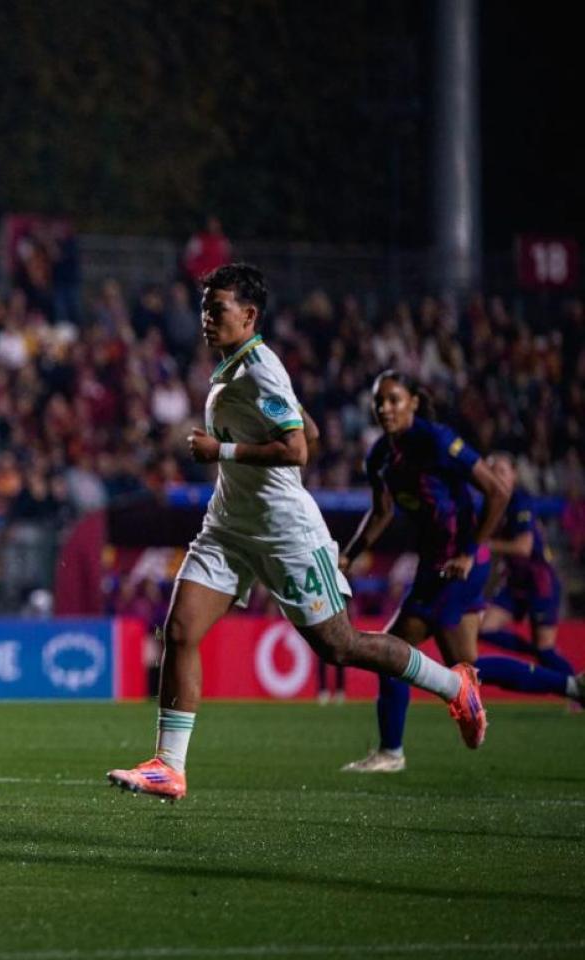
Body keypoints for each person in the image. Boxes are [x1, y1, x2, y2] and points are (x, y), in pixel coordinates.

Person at [106, 265, 487, 802]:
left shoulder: (260, 370)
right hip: (228, 524)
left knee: (340, 646)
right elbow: (302, 426)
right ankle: (169, 767)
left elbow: (298, 449)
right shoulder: (234, 368)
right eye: (205, 309)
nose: (207, 320)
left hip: (286, 531)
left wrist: (223, 451)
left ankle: (456, 686)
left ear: (250, 315)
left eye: (218, 310)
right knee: (180, 630)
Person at [334, 371, 514, 773]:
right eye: (379, 402)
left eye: (394, 400)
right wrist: (349, 555)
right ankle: (568, 685)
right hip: (434, 568)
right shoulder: (380, 455)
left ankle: (391, 752)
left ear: (414, 401)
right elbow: (382, 513)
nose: (385, 409)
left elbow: (498, 492)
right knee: (463, 668)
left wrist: (470, 551)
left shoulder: (438, 440)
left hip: (458, 567)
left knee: (395, 653)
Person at [461, 456, 583, 705]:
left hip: (540, 583)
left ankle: (577, 689)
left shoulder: (520, 502)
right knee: (485, 629)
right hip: (515, 584)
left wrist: (484, 543)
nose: (497, 476)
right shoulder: (490, 505)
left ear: (515, 475)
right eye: (492, 471)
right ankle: (535, 654)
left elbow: (523, 547)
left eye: (503, 471)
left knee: (545, 649)